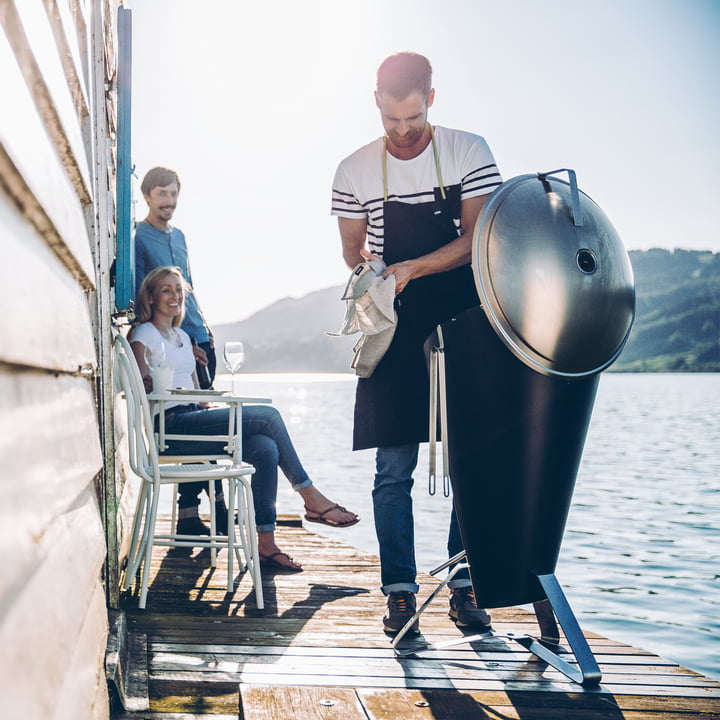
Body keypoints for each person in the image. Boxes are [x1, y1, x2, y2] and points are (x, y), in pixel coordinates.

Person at [331, 52, 503, 633]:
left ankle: (465, 583)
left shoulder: (467, 151)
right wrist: (373, 268)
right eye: (391, 119)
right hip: (395, 325)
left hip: (465, 314)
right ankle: (400, 591)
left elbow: (479, 239)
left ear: (431, 98)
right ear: (376, 102)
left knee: (475, 460)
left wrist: (412, 268)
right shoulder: (353, 170)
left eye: (412, 117)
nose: (403, 132)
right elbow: (352, 247)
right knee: (391, 468)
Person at [129, 266, 359, 571]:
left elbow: (196, 393)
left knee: (265, 447)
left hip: (193, 419)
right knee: (269, 416)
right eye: (167, 290)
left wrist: (207, 401)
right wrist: (146, 378)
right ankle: (310, 496)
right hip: (169, 428)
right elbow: (139, 383)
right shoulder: (144, 333)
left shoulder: (183, 337)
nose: (175, 296)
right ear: (151, 296)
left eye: (179, 290)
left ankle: (266, 544)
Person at [134, 166, 215, 389]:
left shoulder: (180, 236)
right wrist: (176, 344)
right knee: (185, 406)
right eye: (162, 193)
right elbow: (140, 292)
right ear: (146, 196)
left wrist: (204, 325)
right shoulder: (138, 236)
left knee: (204, 399)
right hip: (171, 339)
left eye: (173, 193)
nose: (169, 201)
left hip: (198, 333)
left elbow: (189, 285)